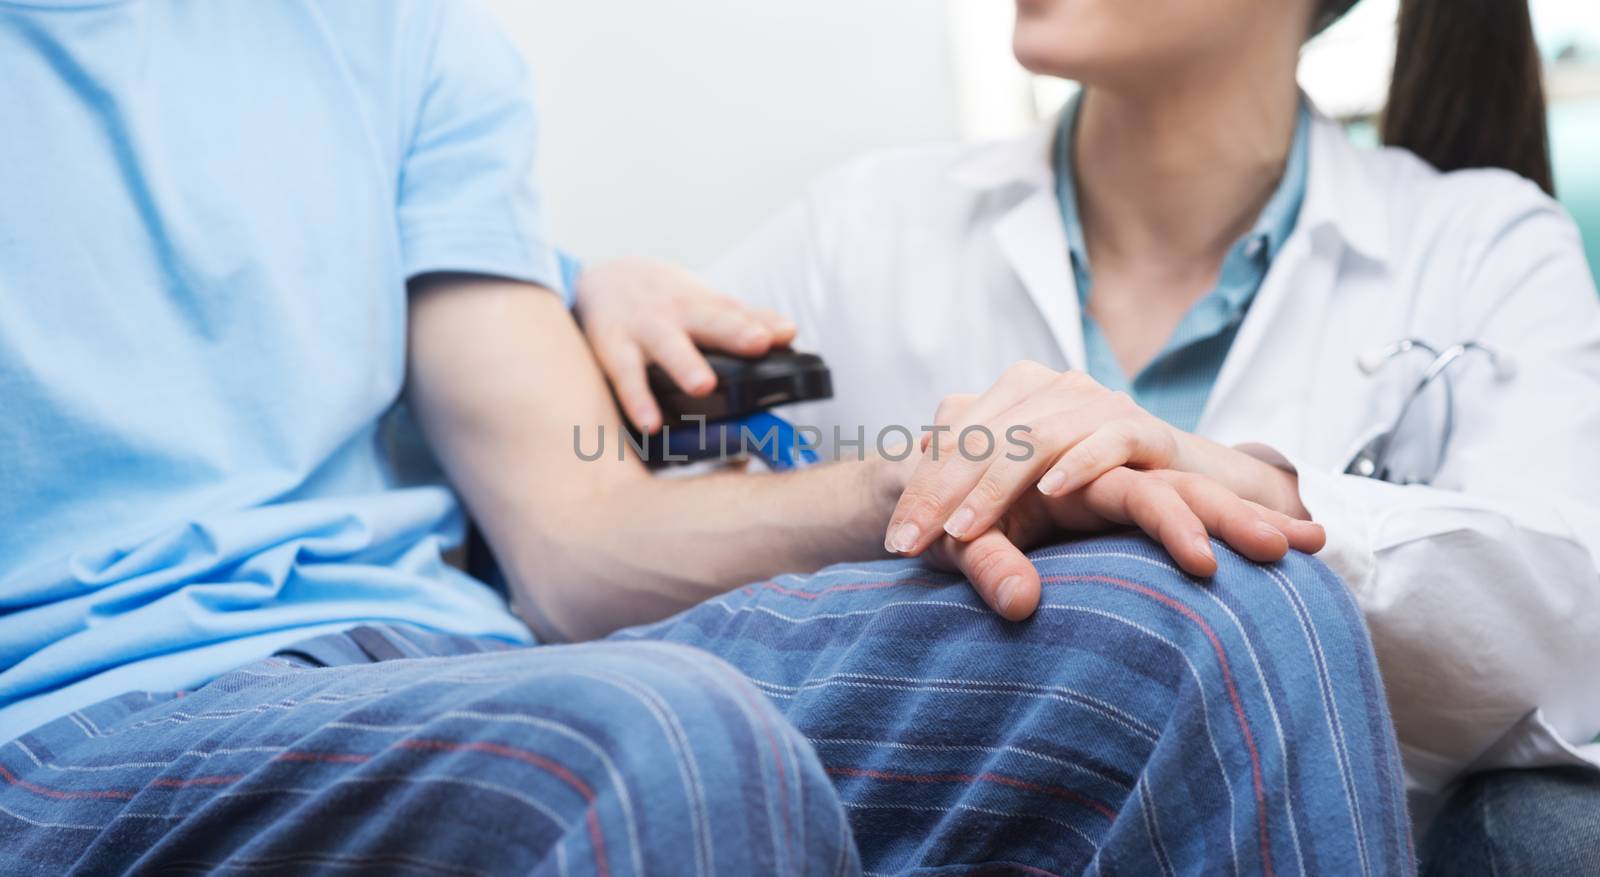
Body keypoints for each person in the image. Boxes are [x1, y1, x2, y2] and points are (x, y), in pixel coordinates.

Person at [0, 0, 1413, 873]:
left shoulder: (394, 30)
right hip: (77, 721)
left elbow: (577, 534)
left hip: (445, 663)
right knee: (660, 736)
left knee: (1224, 613)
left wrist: (965, 474)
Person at [574, 0, 1600, 867]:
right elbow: (593, 521)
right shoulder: (867, 226)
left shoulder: (1479, 244)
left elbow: (1571, 626)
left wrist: (1253, 492)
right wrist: (576, 307)